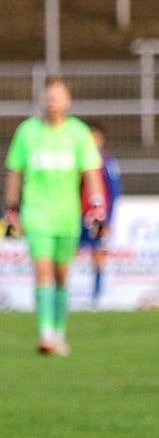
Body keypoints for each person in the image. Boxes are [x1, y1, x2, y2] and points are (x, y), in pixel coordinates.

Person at [4, 76, 105, 355]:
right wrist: (11, 208)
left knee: (62, 275)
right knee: (42, 272)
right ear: (41, 100)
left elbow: (91, 173)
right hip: (36, 214)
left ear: (67, 101)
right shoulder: (27, 132)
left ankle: (59, 332)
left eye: (57, 97)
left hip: (66, 215)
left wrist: (97, 207)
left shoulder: (78, 133)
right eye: (48, 97)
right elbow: (15, 171)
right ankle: (46, 334)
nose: (52, 102)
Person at [79, 121, 121, 309]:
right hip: (77, 215)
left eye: (95, 137)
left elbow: (113, 192)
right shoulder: (78, 162)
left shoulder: (107, 162)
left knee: (98, 255)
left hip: (98, 217)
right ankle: (64, 294)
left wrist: (107, 219)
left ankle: (97, 297)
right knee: (66, 255)